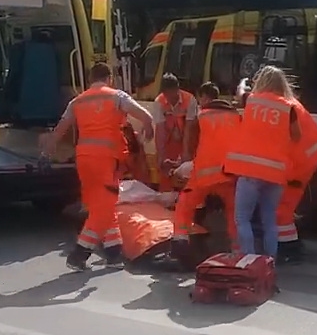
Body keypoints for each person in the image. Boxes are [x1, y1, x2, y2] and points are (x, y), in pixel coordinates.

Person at [40, 62, 154, 271]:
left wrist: (48, 149)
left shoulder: (77, 101)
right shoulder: (117, 96)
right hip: (106, 159)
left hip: (84, 159)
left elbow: (59, 130)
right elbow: (145, 116)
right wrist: (148, 127)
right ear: (109, 78)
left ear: (91, 79)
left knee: (100, 205)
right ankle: (79, 253)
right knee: (104, 207)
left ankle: (114, 252)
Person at [224, 66, 301, 258]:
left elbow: (239, 93)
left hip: (250, 171)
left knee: (242, 219)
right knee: (269, 220)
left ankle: (249, 261)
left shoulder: (252, 100)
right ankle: (270, 263)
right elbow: (297, 136)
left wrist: (243, 82)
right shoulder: (288, 107)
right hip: (275, 173)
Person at [172, 82, 241, 253]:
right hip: (230, 173)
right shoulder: (237, 117)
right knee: (234, 212)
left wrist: (185, 160)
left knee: (185, 202)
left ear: (204, 97)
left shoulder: (201, 116)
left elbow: (191, 142)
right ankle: (238, 249)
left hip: (204, 173)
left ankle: (180, 239)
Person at [275, 92, 317, 264]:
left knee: (282, 209)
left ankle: (290, 249)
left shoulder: (281, 107)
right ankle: (292, 247)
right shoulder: (289, 103)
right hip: (308, 158)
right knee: (285, 208)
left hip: (300, 162)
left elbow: (293, 136)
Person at [154, 73, 198, 192]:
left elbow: (189, 129)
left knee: (186, 172)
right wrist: (161, 155)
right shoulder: (159, 102)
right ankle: (167, 197)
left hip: (187, 140)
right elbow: (160, 131)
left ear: (177, 89)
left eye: (172, 94)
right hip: (170, 142)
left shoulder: (190, 100)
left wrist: (185, 153)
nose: (170, 98)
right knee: (165, 169)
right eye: (167, 95)